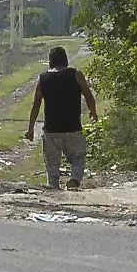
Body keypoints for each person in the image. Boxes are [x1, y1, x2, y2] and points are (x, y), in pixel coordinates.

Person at [24, 46, 98, 190]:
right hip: (73, 128)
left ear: (50, 61)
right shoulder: (76, 74)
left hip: (51, 130)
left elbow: (36, 105)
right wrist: (93, 112)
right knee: (77, 158)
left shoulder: (42, 78)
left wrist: (31, 129)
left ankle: (53, 189)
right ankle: (74, 180)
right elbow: (88, 96)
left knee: (52, 166)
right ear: (66, 60)